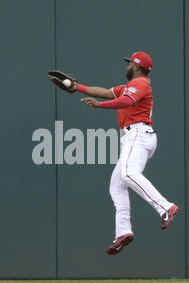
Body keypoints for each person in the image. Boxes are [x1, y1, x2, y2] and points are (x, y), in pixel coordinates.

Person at [72, 51, 179, 255]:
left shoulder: (140, 84)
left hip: (138, 134)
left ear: (136, 66)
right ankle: (123, 232)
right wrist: (78, 87)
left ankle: (165, 207)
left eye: (129, 63)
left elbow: (127, 102)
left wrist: (100, 106)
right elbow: (104, 92)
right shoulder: (130, 87)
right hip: (136, 136)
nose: (127, 66)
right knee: (117, 186)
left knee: (128, 174)